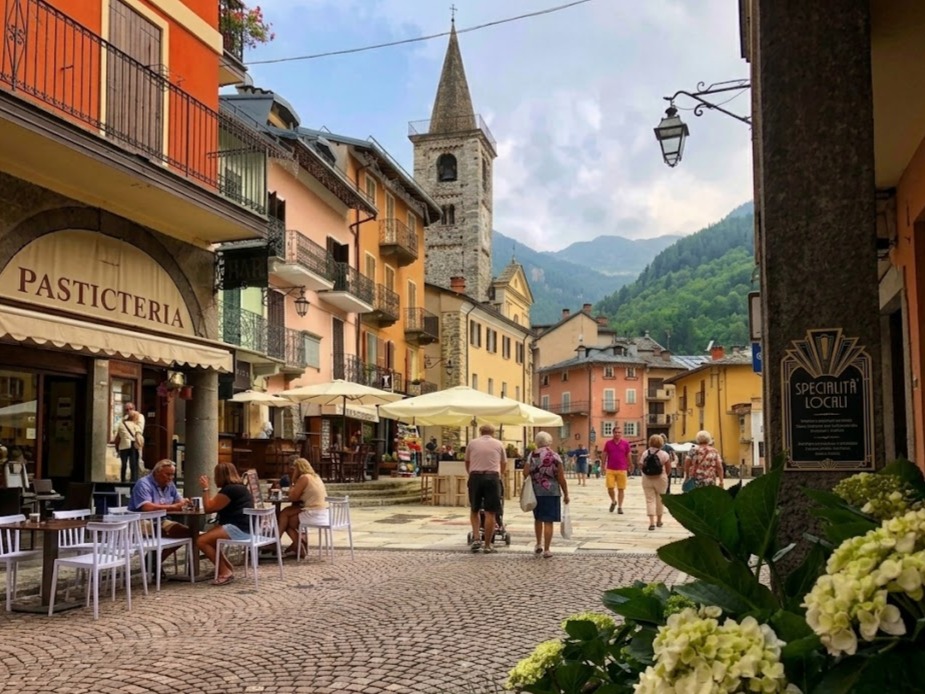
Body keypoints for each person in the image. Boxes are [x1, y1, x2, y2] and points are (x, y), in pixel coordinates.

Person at [196, 462, 254, 586]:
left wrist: (205, 488)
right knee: (210, 539)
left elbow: (209, 508)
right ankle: (226, 567)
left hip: (238, 528)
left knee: (201, 541)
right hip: (245, 526)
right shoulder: (239, 487)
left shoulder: (230, 490)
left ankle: (224, 571)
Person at [127, 459, 193, 558]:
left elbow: (178, 500)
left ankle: (154, 559)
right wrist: (172, 507)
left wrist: (185, 502)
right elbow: (146, 507)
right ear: (157, 473)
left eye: (172, 474)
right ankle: (154, 560)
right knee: (186, 533)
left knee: (189, 533)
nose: (171, 478)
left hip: (161, 520)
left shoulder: (169, 484)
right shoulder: (143, 484)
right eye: (167, 474)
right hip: (142, 522)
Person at [524, 431, 570, 558]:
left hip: (536, 491)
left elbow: (525, 472)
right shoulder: (555, 456)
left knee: (538, 518)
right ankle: (547, 549)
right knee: (548, 521)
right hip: (552, 492)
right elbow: (561, 477)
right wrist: (566, 493)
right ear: (549, 442)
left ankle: (538, 544)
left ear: (537, 442)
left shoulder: (532, 455)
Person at [464, 423, 506, 554]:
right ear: (493, 433)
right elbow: (503, 463)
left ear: (480, 432)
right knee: (490, 512)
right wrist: (499, 475)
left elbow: (467, 462)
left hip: (475, 476)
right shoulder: (499, 444)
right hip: (492, 477)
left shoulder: (472, 443)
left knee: (474, 509)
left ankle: (476, 538)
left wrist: (471, 473)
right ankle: (488, 545)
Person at [278, 457, 328, 556]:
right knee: (285, 513)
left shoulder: (304, 478)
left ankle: (289, 543)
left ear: (298, 468)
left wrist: (292, 481)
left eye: (294, 469)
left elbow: (293, 497)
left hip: (314, 512)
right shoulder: (315, 476)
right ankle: (297, 544)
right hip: (322, 511)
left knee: (286, 520)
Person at [639, 435, 670, 531]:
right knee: (660, 499)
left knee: (650, 500)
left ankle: (651, 522)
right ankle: (659, 521)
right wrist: (665, 475)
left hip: (647, 479)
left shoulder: (645, 453)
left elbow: (641, 465)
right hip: (661, 478)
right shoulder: (664, 454)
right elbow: (668, 469)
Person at [601, 428, 631, 513]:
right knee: (610, 488)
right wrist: (603, 465)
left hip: (622, 469)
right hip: (610, 469)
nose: (617, 434)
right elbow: (604, 454)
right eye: (616, 432)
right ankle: (614, 501)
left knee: (621, 489)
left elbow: (628, 454)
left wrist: (630, 464)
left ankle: (620, 507)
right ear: (613, 433)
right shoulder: (608, 443)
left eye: (619, 432)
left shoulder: (625, 443)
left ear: (621, 434)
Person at [114, 402, 145, 483]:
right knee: (125, 464)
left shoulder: (139, 416)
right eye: (127, 409)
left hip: (133, 443)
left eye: (131, 409)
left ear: (134, 408)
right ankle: (125, 481)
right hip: (125, 444)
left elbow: (140, 430)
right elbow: (119, 434)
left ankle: (132, 481)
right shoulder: (124, 418)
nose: (129, 411)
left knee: (133, 464)